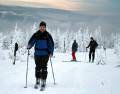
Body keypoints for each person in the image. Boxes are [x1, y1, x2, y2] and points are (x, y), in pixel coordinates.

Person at [27, 21, 54, 89]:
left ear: (45, 27)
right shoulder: (36, 34)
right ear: (39, 27)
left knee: (44, 67)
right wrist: (29, 46)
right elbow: (31, 41)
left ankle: (44, 80)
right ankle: (38, 79)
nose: (42, 28)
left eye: (43, 27)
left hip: (45, 54)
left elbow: (51, 44)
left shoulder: (47, 35)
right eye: (41, 27)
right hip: (37, 54)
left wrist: (51, 53)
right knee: (38, 67)